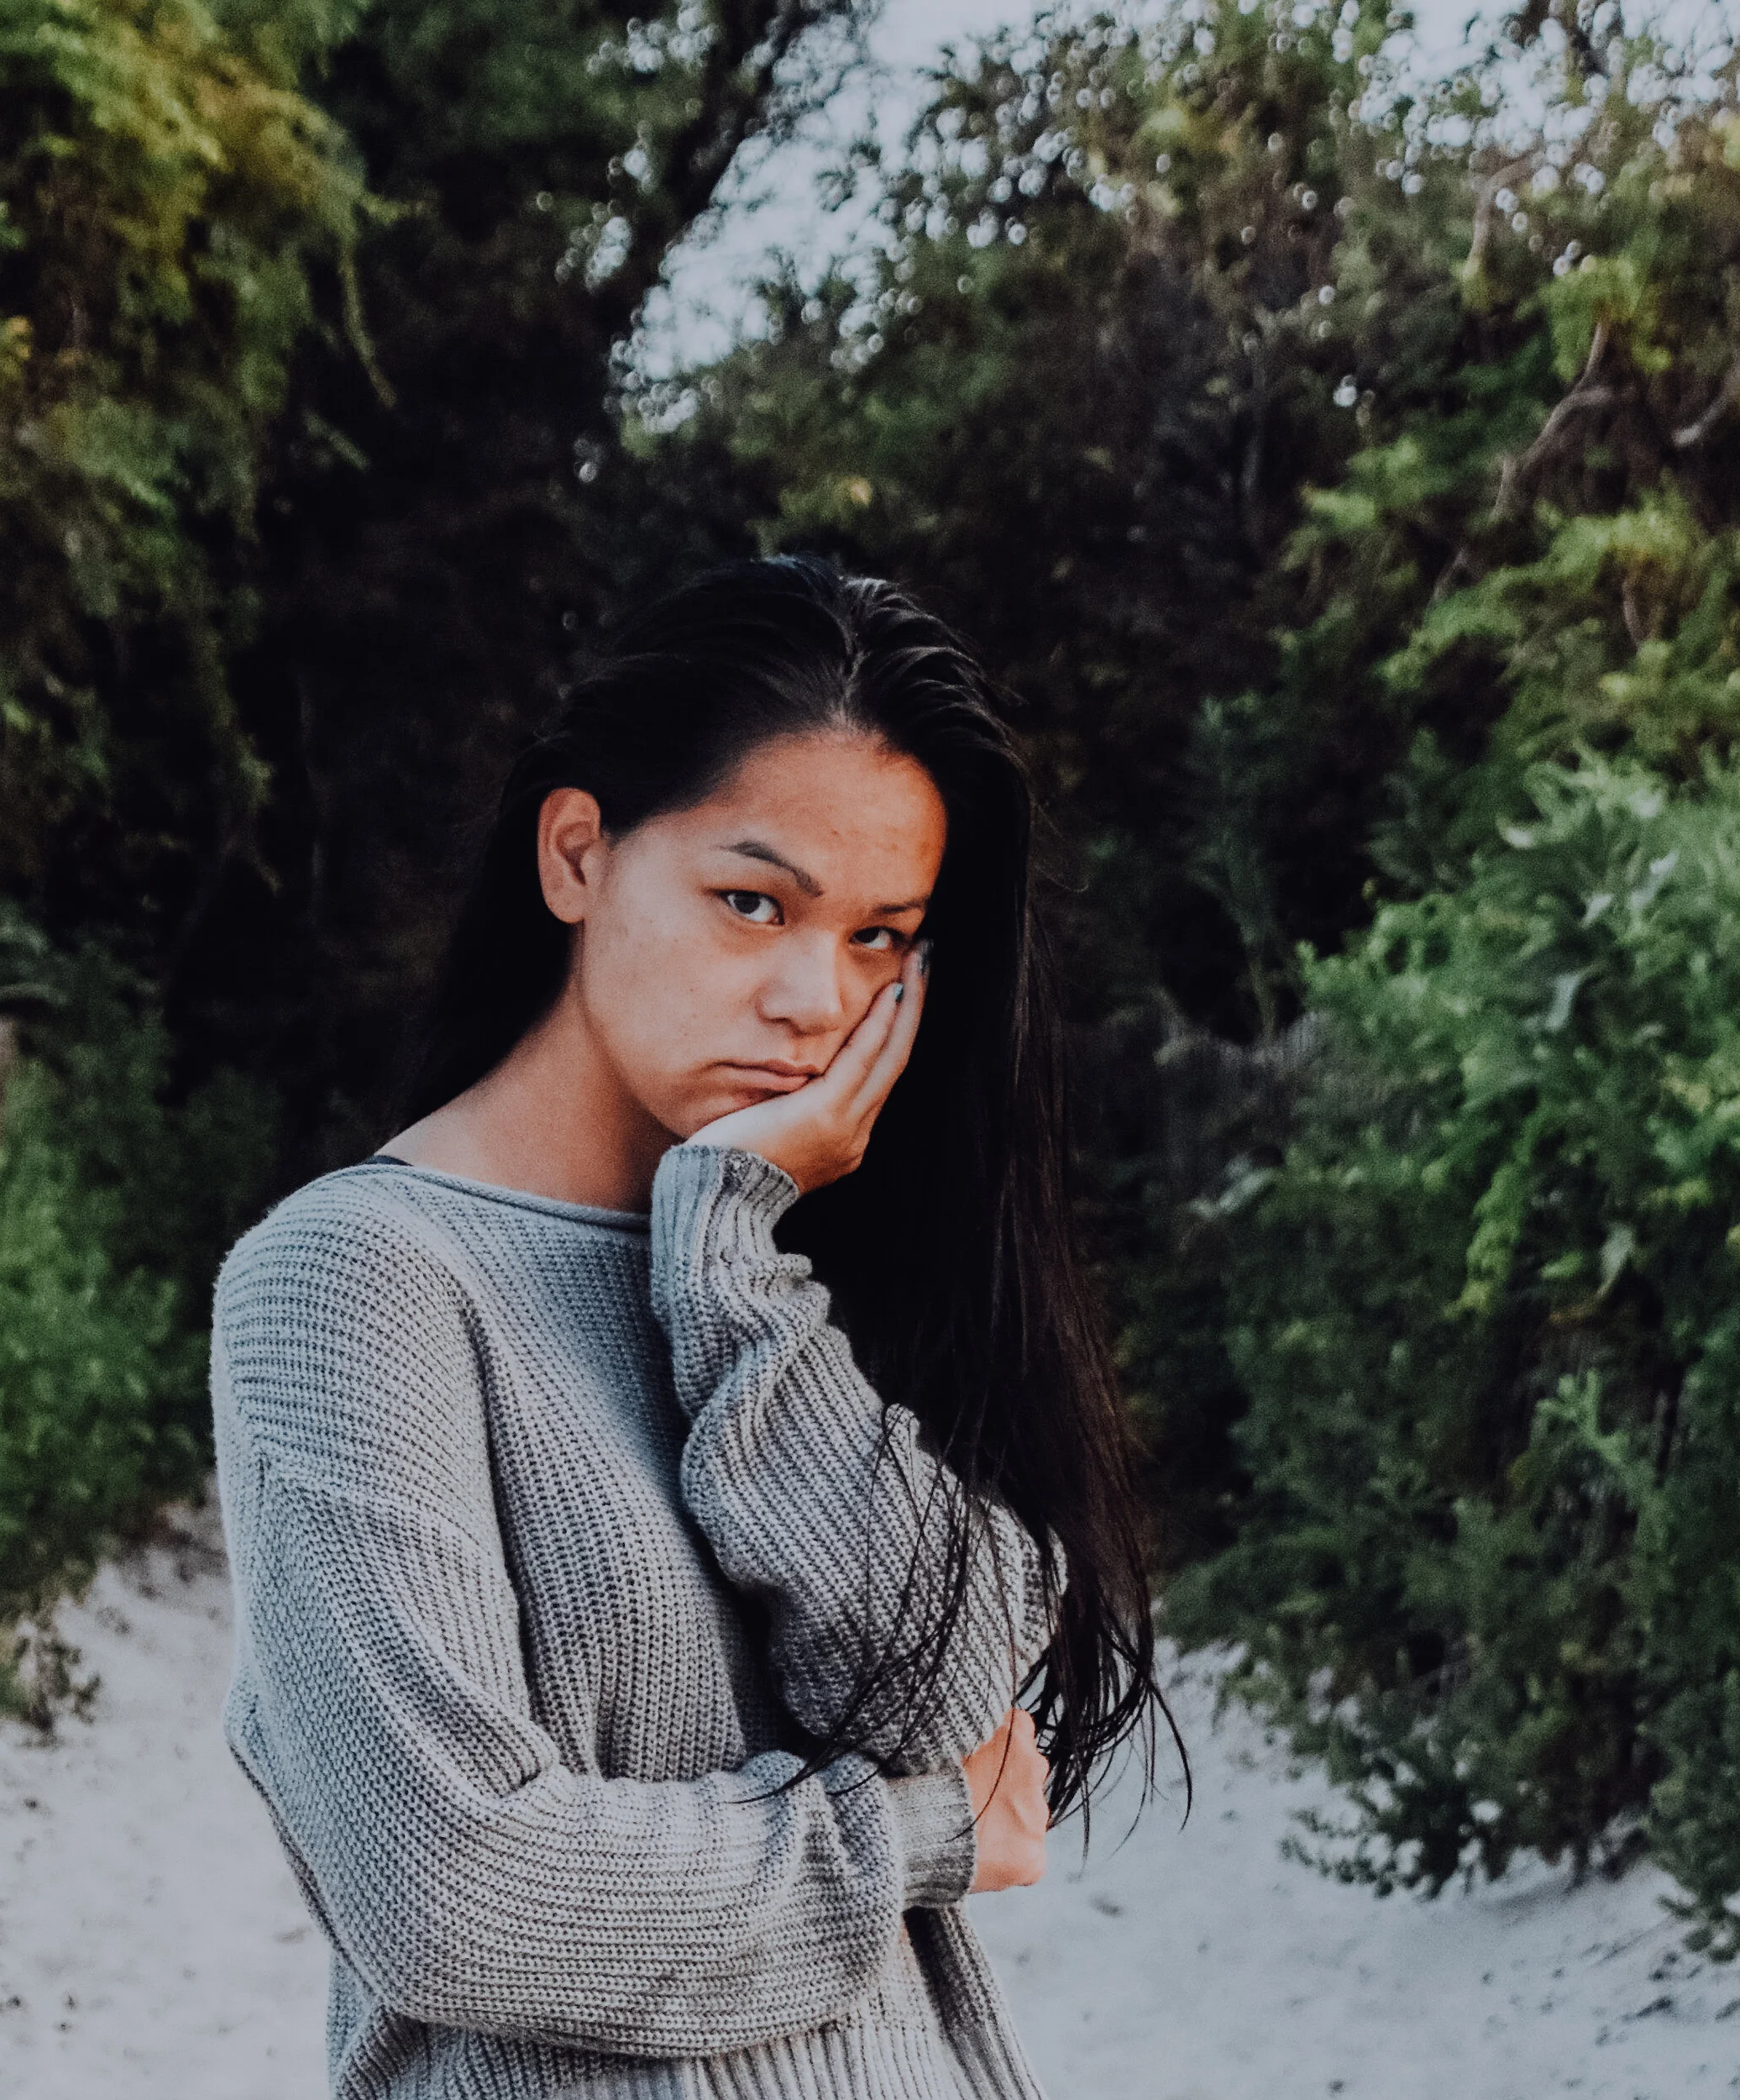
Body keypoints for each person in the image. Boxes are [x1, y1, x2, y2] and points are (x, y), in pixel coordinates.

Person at [209, 556, 1170, 2098]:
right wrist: (903, 1836)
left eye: (880, 939)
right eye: (752, 902)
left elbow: (940, 1698)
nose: (813, 996)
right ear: (578, 852)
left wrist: (732, 1255)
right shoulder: (356, 1279)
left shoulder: (799, 1263)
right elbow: (452, 1888)